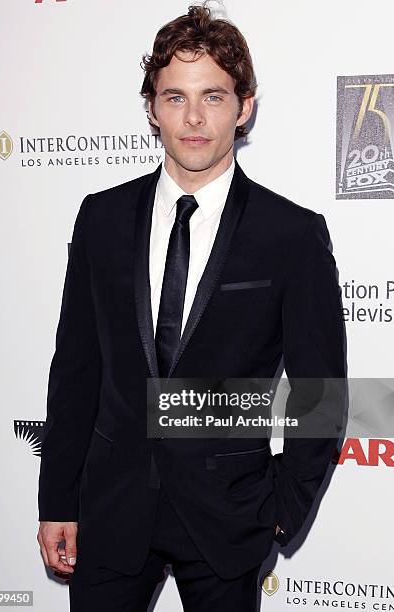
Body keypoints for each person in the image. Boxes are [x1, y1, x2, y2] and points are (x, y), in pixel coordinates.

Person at [37, 4, 346, 611]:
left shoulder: (291, 234)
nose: (195, 117)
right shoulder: (101, 218)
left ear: (245, 106)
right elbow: (74, 372)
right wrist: (58, 502)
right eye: (175, 97)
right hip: (110, 511)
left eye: (214, 96)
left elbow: (322, 394)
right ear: (152, 108)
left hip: (230, 517)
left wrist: (280, 513)